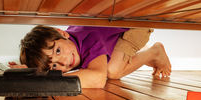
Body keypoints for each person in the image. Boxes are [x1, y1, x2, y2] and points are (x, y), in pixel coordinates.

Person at [10, 25, 171, 88]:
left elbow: (98, 78)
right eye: (54, 66)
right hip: (113, 37)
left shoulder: (89, 39)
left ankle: (154, 52)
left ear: (62, 33)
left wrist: (42, 80)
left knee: (112, 71)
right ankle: (140, 51)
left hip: (134, 25)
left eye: (58, 51)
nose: (65, 62)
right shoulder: (71, 44)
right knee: (110, 62)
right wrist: (32, 73)